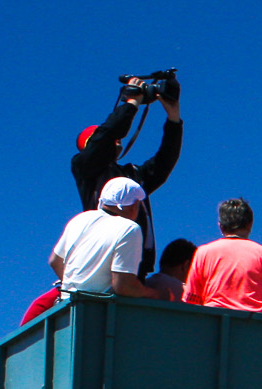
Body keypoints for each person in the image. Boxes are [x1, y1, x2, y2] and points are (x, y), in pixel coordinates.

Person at [72, 73, 182, 278]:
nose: (114, 141)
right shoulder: (84, 168)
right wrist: (131, 103)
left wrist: (173, 118)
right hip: (101, 263)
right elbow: (107, 135)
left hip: (135, 266)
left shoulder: (132, 175)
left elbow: (165, 161)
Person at [48, 177, 158, 299]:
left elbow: (55, 261)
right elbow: (124, 286)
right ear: (134, 205)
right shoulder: (129, 228)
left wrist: (76, 288)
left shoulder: (79, 219)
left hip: (68, 306)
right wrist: (156, 294)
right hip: (100, 312)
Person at [182, 198, 262, 313]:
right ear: (249, 224)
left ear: (221, 226)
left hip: (213, 324)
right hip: (256, 327)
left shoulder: (203, 253)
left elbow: (191, 301)